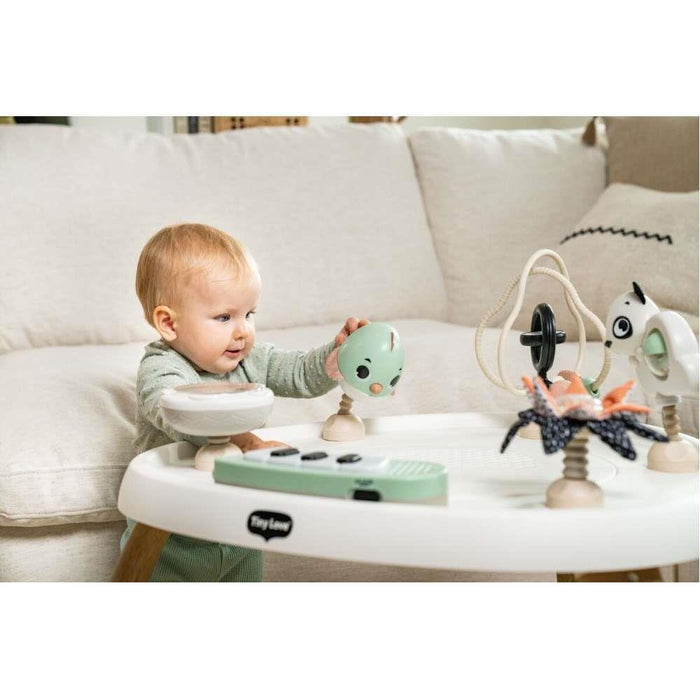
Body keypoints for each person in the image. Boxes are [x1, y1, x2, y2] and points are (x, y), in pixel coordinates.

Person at [121, 222, 368, 581]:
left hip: (239, 528)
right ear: (169, 323)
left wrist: (336, 358)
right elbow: (181, 412)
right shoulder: (162, 369)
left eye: (249, 314)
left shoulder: (247, 358)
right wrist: (248, 442)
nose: (242, 331)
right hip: (171, 535)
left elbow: (299, 372)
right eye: (224, 317)